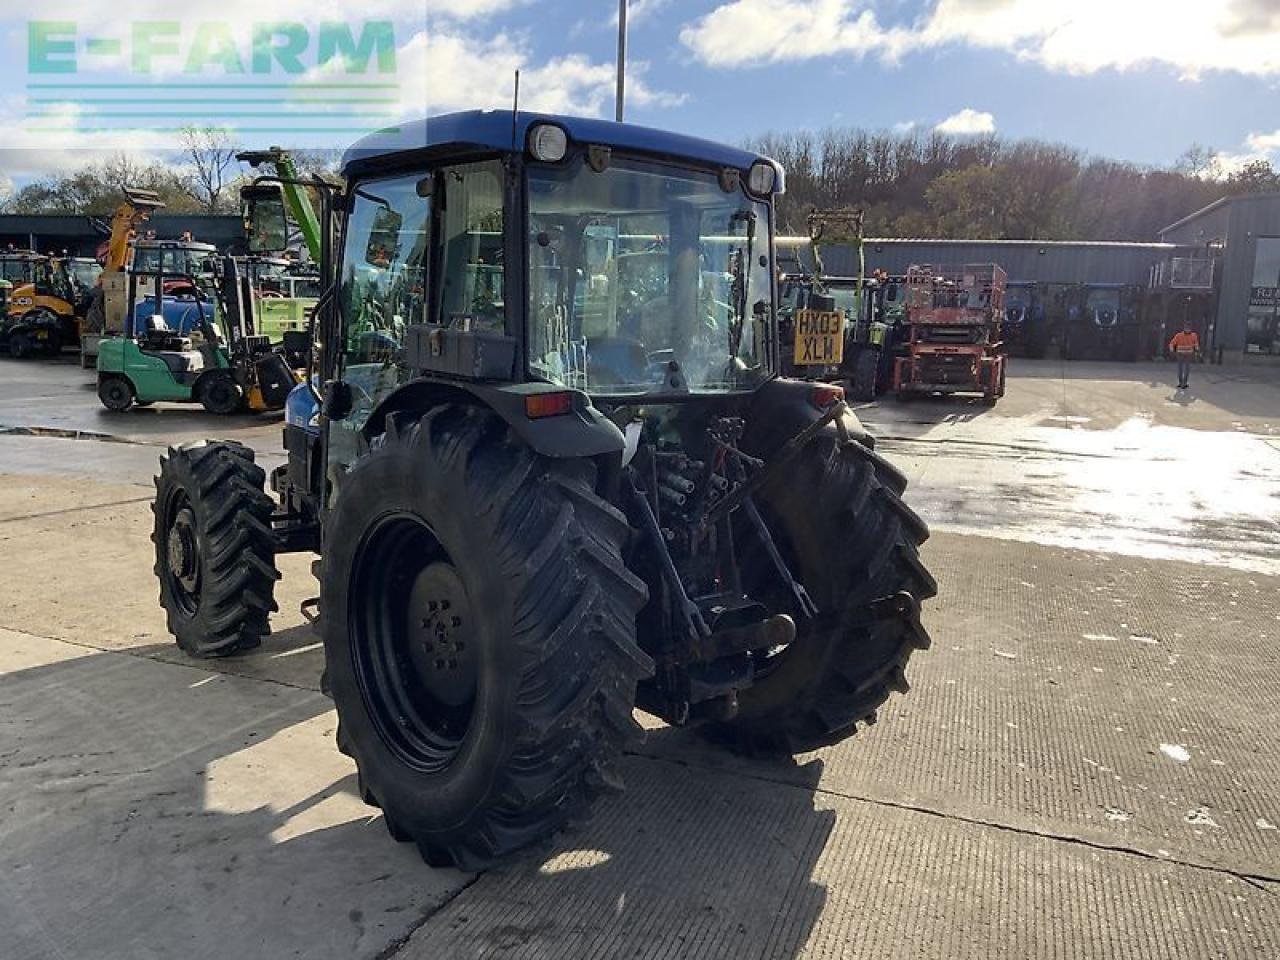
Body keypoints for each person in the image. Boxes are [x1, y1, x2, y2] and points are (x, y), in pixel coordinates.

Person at [1168, 320, 1201, 390]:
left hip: (1182, 354)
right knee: (1185, 369)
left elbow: (1172, 343)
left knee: (1182, 369)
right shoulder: (1192, 335)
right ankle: (1183, 383)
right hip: (1186, 354)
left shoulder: (1179, 335)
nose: (1188, 329)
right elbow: (1196, 344)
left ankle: (1182, 383)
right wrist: (1197, 351)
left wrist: (1171, 350)